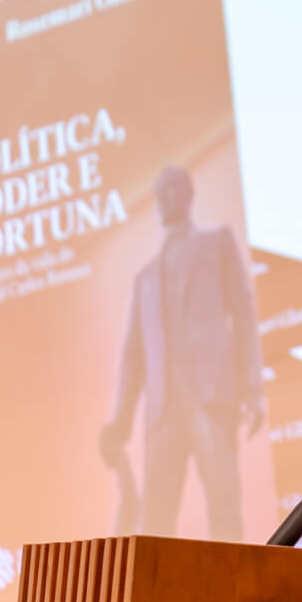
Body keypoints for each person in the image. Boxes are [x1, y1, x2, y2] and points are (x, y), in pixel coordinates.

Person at [99, 165, 264, 541]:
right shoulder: (145, 278)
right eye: (159, 192)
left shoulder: (217, 244)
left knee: (224, 508)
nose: (163, 198)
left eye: (171, 189)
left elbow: (243, 313)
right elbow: (133, 355)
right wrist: (121, 421)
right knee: (155, 521)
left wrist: (253, 388)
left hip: (211, 397)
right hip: (163, 411)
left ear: (188, 194)